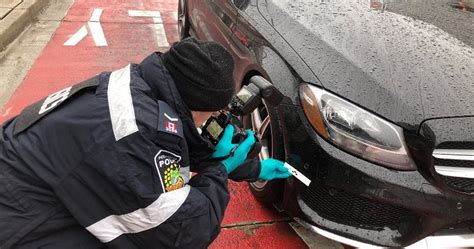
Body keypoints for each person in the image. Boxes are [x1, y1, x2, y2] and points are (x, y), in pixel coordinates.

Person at [0, 37, 291, 249]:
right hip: (22, 225)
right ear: (195, 102)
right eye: (213, 111)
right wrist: (220, 169)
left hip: (30, 185)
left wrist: (247, 168)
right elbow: (186, 230)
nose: (214, 118)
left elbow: (164, 146)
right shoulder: (133, 136)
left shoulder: (140, 88)